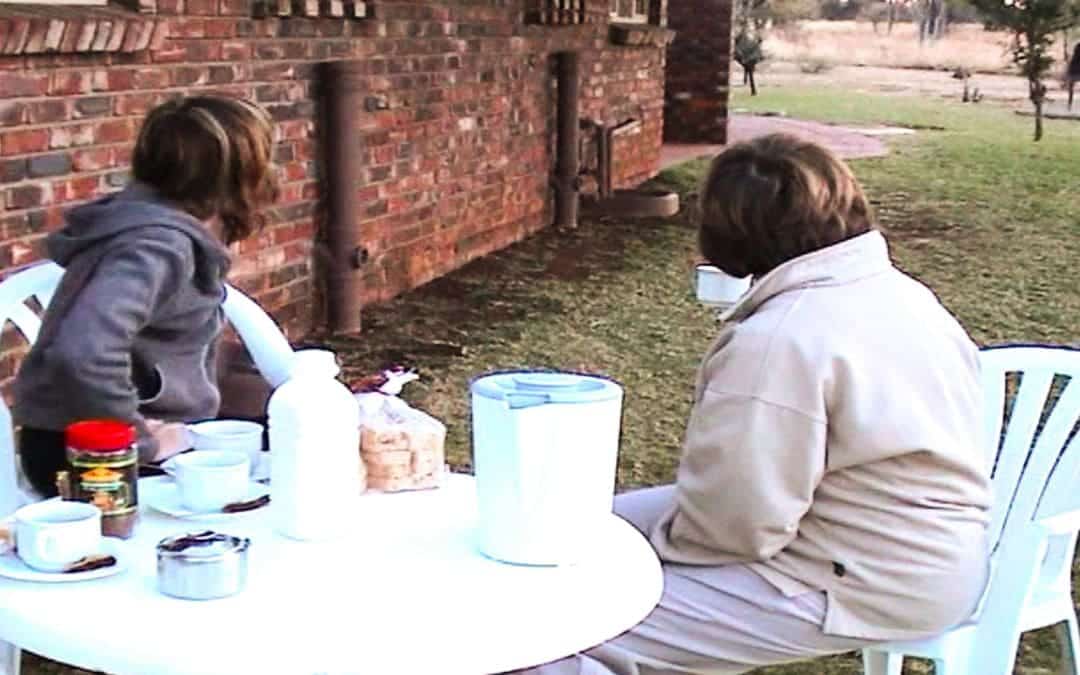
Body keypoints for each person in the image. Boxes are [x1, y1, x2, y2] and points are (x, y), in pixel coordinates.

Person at [523, 134, 992, 675]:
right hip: (930, 552)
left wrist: (646, 556)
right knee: (578, 525)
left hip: (861, 580)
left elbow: (739, 525)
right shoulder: (903, 295)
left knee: (550, 629)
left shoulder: (779, 340)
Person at [13, 95, 279, 497]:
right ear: (239, 174)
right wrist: (140, 440)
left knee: (287, 433)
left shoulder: (148, 227)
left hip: (95, 436)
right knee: (293, 472)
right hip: (93, 458)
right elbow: (82, 352)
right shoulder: (155, 248)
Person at [1068, 43, 1080, 110]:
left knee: (1071, 89)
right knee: (1071, 89)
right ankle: (1069, 105)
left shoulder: (1077, 47)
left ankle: (1069, 105)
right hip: (1076, 70)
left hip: (1073, 70)